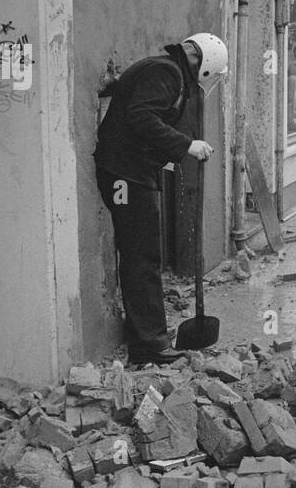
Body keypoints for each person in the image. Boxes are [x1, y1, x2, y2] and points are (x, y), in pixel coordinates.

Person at [94, 32, 224, 366]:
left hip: (131, 171)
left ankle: (145, 337)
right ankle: (149, 344)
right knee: (142, 256)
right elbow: (141, 116)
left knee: (141, 253)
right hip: (125, 176)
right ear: (203, 64)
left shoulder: (166, 70)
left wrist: (164, 154)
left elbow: (140, 120)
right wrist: (185, 145)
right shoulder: (166, 73)